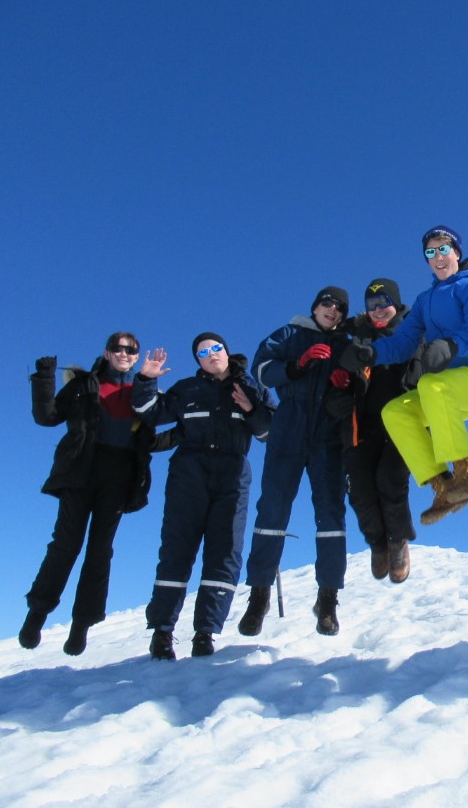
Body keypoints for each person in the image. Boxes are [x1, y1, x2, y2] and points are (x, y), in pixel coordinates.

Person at [341, 226, 468, 534]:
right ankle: (442, 487)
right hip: (444, 394)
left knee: (431, 384)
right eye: (431, 253)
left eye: (444, 249)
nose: (438, 257)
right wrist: (369, 354)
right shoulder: (424, 300)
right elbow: (401, 342)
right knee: (395, 411)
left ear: (456, 252)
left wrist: (450, 345)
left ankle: (466, 474)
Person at [19, 332, 168, 656]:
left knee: (100, 551)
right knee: (65, 544)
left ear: (137, 355)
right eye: (119, 348)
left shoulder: (141, 392)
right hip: (81, 472)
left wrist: (186, 434)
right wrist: (44, 378)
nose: (124, 353)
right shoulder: (85, 384)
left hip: (119, 478)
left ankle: (81, 625)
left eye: (131, 349)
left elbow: (149, 441)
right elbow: (47, 417)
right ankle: (37, 614)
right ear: (107, 352)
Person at [133, 334, 275, 659]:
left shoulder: (252, 387)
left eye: (215, 348)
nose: (211, 354)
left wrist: (252, 409)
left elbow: (270, 432)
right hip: (189, 474)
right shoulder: (187, 389)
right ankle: (162, 633)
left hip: (233, 473)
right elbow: (150, 414)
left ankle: (205, 633)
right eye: (203, 352)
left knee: (225, 552)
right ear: (198, 360)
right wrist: (146, 380)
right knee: (176, 549)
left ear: (227, 351)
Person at [237, 286, 352, 639]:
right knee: (272, 509)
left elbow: (361, 379)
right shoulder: (289, 333)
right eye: (327, 304)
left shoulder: (345, 343)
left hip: (329, 433)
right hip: (289, 427)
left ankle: (328, 600)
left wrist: (346, 383)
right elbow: (261, 370)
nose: (332, 310)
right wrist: (296, 366)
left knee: (331, 514)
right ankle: (259, 596)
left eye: (340, 308)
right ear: (316, 306)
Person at [342, 277, 418, 583]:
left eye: (384, 302)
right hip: (363, 422)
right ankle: (377, 544)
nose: (377, 309)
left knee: (390, 481)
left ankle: (398, 541)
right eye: (371, 305)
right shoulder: (357, 335)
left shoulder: (413, 329)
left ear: (396, 303)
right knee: (360, 489)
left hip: (401, 419)